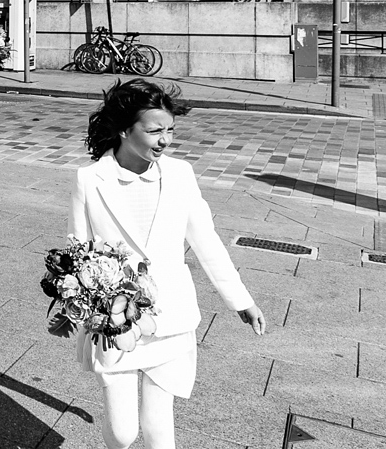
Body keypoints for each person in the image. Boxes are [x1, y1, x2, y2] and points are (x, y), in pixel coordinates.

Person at [72, 78, 266, 449]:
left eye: (170, 130)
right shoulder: (89, 179)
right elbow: (78, 249)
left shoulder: (180, 174)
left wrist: (240, 300)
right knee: (123, 431)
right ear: (125, 130)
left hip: (171, 315)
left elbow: (205, 239)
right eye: (155, 130)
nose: (165, 139)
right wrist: (84, 308)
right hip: (116, 319)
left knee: (160, 430)